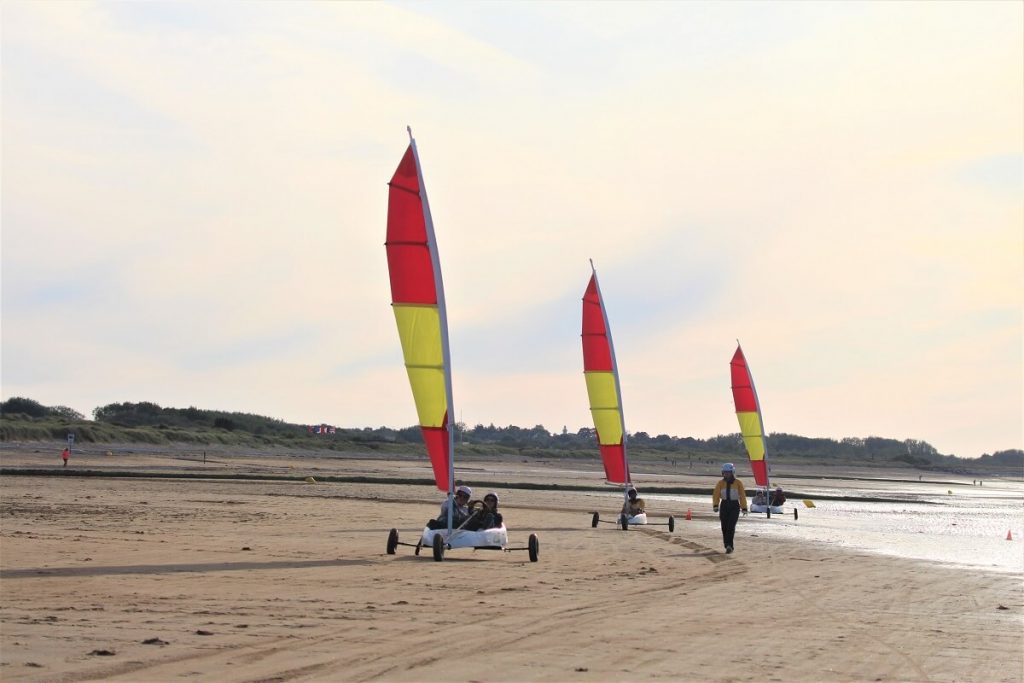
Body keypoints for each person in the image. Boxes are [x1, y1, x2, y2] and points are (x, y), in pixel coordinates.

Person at [712, 463, 747, 554]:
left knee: (731, 526)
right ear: (722, 473)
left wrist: (744, 507)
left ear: (732, 472)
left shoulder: (738, 483)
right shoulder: (720, 483)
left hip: (734, 506)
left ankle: (730, 546)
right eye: (725, 472)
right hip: (724, 505)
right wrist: (716, 505)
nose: (726, 474)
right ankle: (726, 544)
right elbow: (716, 495)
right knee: (724, 527)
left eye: (728, 472)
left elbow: (742, 496)